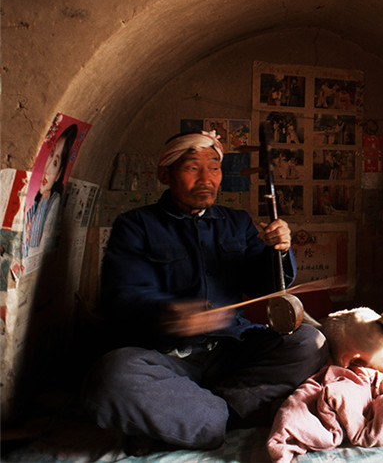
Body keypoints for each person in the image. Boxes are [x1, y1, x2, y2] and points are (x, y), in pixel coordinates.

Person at [83, 131, 329, 452]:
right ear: (165, 174)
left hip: (231, 351)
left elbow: (266, 287)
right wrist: (169, 315)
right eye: (192, 168)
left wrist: (279, 250)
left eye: (214, 167)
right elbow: (122, 297)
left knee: (311, 342)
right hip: (168, 357)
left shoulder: (236, 223)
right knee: (111, 375)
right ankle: (225, 416)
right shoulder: (135, 225)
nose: (206, 178)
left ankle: (189, 417)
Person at [24, 123, 78, 257]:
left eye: (55, 163)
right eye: (51, 154)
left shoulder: (54, 200)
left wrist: (44, 200)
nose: (47, 169)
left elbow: (33, 242)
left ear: (59, 173)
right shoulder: (37, 199)